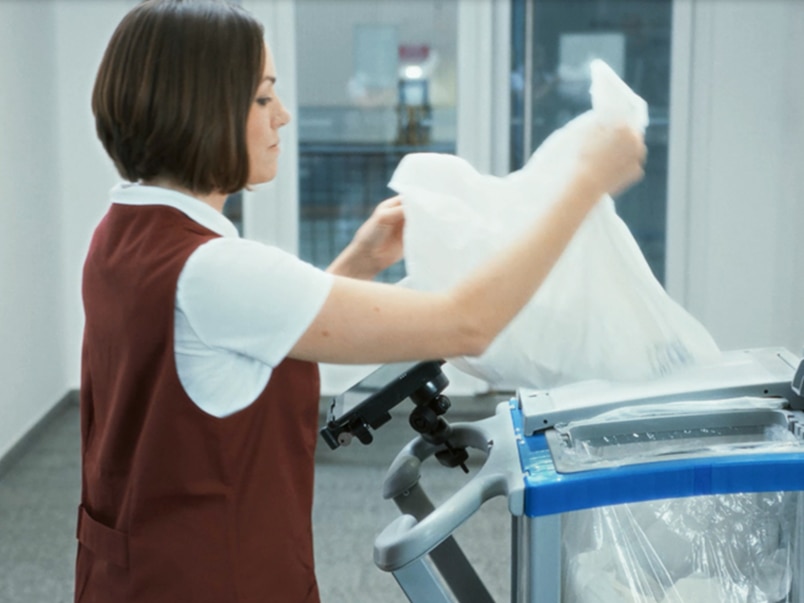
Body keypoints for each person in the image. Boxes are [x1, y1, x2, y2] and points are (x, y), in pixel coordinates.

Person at [76, 1, 646, 601]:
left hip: (132, 573)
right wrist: (584, 184)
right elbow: (467, 325)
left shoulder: (120, 235)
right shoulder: (214, 270)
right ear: (202, 109)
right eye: (264, 97)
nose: (284, 116)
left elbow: (245, 344)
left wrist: (359, 262)